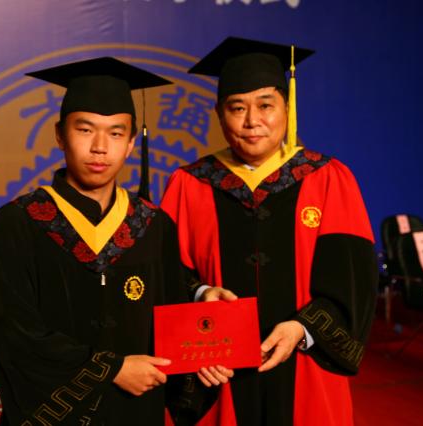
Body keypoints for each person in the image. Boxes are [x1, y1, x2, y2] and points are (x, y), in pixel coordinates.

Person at [0, 57, 229, 426]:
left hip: (137, 413)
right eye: (85, 130)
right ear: (59, 134)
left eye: (116, 134)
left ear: (130, 144)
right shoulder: (20, 222)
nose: (100, 147)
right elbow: (14, 333)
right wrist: (111, 369)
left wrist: (203, 343)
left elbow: (172, 307)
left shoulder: (152, 224)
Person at [160, 37, 379, 426]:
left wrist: (303, 329)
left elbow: (352, 282)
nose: (252, 121)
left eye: (265, 105)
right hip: (218, 375)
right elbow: (165, 276)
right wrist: (199, 302)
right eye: (237, 108)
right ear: (219, 115)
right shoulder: (189, 184)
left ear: (287, 109)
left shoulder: (328, 179)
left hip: (306, 366)